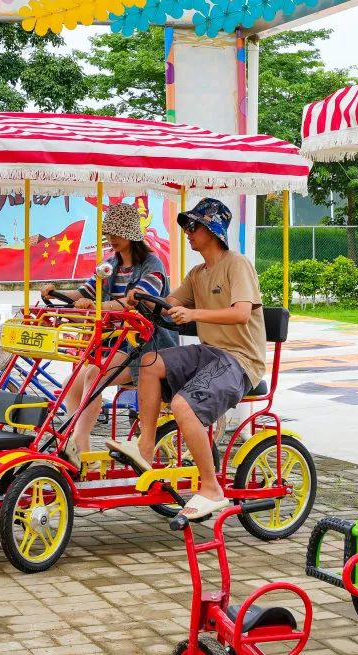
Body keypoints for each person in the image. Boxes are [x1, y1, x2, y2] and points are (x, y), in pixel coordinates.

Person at [108, 197, 266, 520]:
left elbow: (240, 314)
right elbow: (168, 303)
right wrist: (142, 299)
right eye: (187, 227)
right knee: (150, 363)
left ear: (213, 230)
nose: (188, 232)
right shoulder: (197, 274)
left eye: (193, 226)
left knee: (183, 405)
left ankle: (211, 488)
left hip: (240, 361)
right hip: (210, 354)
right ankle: (145, 448)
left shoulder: (236, 264)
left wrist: (193, 313)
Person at [40, 202, 178, 469]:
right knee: (72, 381)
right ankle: (82, 452)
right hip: (116, 344)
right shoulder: (109, 265)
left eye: (117, 233)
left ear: (131, 234)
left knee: (95, 375)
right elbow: (84, 293)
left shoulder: (153, 266)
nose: (111, 238)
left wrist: (97, 306)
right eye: (109, 233)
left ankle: (75, 444)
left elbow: (135, 302)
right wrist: (56, 293)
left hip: (147, 348)